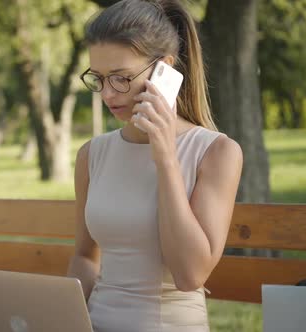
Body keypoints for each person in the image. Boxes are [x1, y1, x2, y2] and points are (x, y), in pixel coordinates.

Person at [66, 0, 243, 331]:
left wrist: (165, 157)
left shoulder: (217, 152)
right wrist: (68, 320)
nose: (107, 94)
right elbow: (84, 257)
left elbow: (190, 275)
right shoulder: (92, 154)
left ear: (165, 69)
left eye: (121, 78)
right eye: (98, 78)